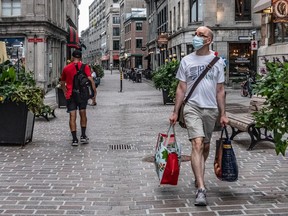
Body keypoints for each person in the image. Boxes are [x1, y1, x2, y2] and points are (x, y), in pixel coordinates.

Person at [169, 26, 229, 206]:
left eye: (201, 35)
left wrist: (223, 113)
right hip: (191, 107)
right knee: (197, 143)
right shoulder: (186, 60)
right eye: (195, 34)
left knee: (206, 145)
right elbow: (181, 88)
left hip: (210, 109)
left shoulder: (218, 61)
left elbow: (220, 90)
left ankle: (199, 174)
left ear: (209, 40)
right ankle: (201, 188)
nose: (196, 37)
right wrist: (175, 111)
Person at [60, 50, 97, 146]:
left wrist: (65, 92)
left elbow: (62, 83)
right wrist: (93, 95)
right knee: (83, 114)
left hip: (71, 95)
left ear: (72, 58)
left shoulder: (66, 68)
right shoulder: (85, 67)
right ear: (80, 58)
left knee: (72, 116)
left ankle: (75, 139)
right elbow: (91, 80)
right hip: (82, 95)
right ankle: (83, 136)